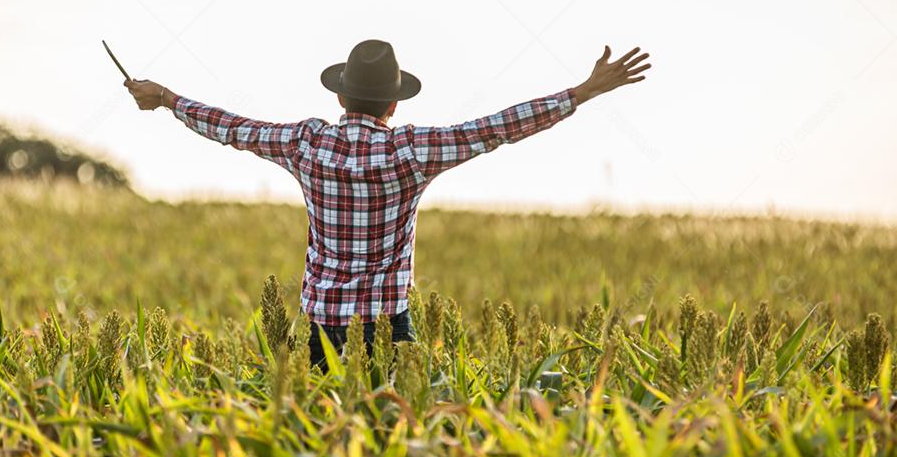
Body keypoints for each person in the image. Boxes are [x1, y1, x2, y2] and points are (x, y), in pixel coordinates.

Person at [125, 39, 650, 367]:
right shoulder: (411, 150)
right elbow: (496, 129)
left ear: (339, 97)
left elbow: (232, 129)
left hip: (321, 323)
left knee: (324, 433)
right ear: (395, 102)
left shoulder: (306, 143)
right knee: (383, 438)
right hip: (386, 322)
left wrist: (168, 98)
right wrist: (580, 92)